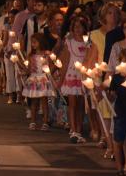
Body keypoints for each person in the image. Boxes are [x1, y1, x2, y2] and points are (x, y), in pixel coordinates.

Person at [59, 15, 90, 144]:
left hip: (83, 76)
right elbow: (65, 61)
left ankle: (79, 127)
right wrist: (60, 79)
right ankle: (73, 129)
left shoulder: (88, 41)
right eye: (75, 26)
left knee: (82, 104)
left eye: (80, 26)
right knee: (72, 103)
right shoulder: (69, 42)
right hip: (72, 75)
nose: (78, 29)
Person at [21, 33, 55, 131]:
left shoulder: (47, 54)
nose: (33, 44)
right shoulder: (31, 55)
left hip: (43, 78)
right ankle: (33, 121)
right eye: (32, 42)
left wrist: (52, 67)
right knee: (34, 101)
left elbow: (52, 65)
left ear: (41, 42)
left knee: (44, 101)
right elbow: (28, 70)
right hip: (34, 79)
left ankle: (45, 122)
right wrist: (19, 63)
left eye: (35, 42)